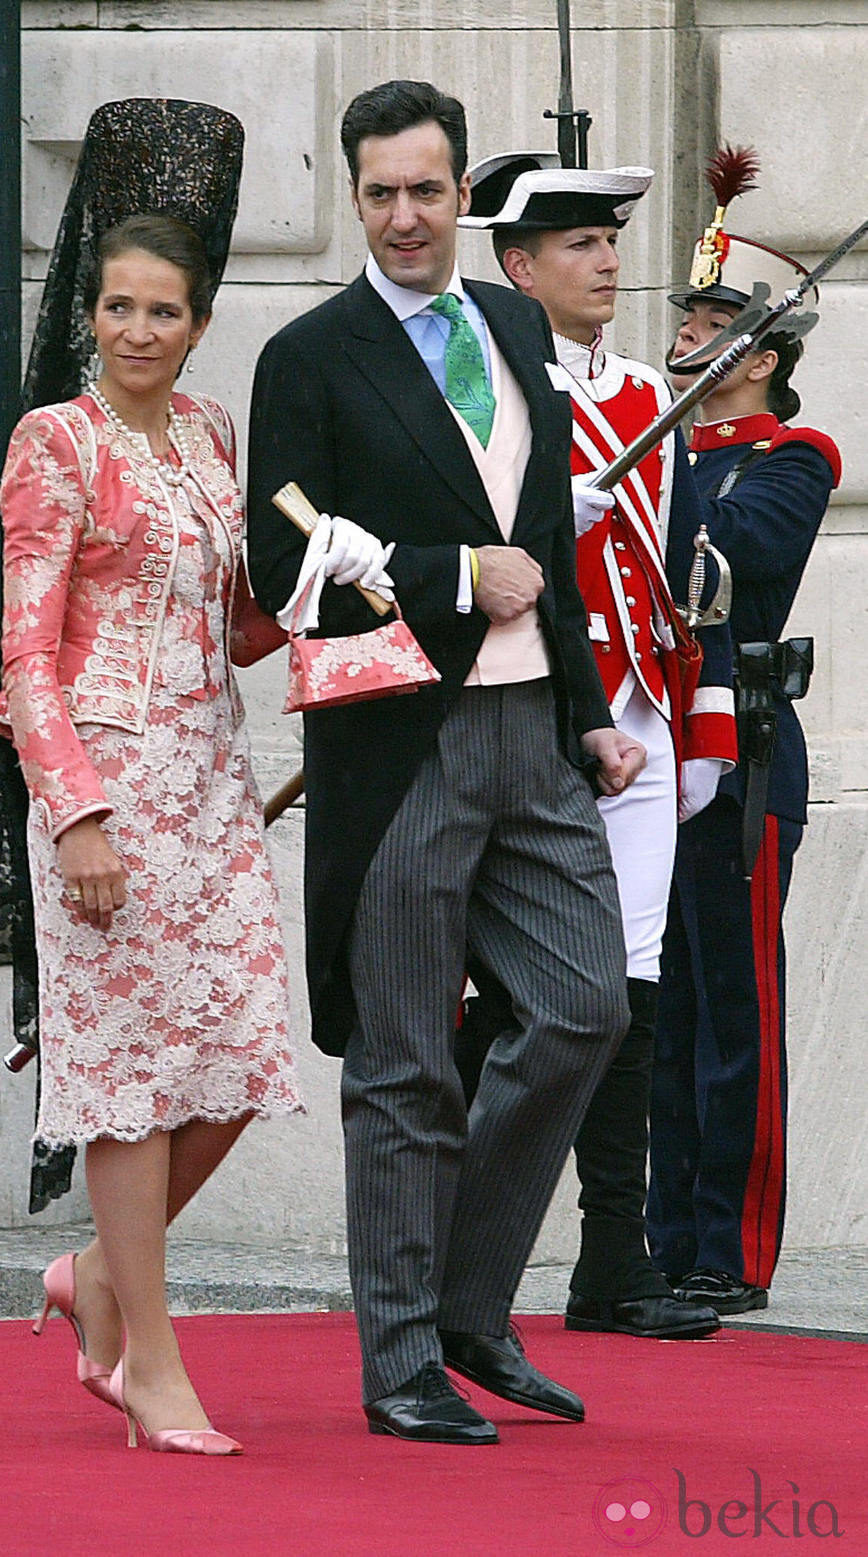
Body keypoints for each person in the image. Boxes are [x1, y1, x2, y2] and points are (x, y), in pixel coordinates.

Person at [246, 80, 645, 1445]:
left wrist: (591, 708)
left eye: (429, 190)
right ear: (354, 199)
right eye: (381, 193)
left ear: (465, 195)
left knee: (586, 1008)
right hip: (401, 743)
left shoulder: (516, 322)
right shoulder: (310, 354)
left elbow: (554, 539)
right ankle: (402, 1353)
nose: (407, 216)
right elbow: (279, 561)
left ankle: (470, 1300)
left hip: (538, 739)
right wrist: (449, 571)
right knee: (408, 1063)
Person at [0, 197, 303, 1453]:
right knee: (128, 1080)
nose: (136, 328)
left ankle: (101, 1276)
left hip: (213, 780)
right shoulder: (53, 443)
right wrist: (73, 817)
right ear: (92, 314)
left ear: (198, 325)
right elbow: (23, 650)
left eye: (161, 311)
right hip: (104, 790)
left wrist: (319, 592)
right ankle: (148, 1367)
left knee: (240, 1051)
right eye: (118, 306)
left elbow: (227, 626)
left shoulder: (213, 434)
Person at [457, 155, 738, 1339]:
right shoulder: (484, 391)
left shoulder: (637, 395)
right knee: (502, 998)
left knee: (631, 993)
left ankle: (608, 1265)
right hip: (523, 713)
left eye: (610, 240)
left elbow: (682, 582)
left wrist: (699, 724)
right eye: (579, 244)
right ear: (519, 267)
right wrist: (526, 517)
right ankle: (446, 1252)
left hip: (634, 715)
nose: (609, 261)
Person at [647, 149, 841, 1315]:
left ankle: (728, 1243)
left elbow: (729, 570)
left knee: (733, 1010)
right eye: (686, 315)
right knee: (655, 1009)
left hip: (743, 754)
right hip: (647, 755)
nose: (686, 334)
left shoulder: (788, 459)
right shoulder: (645, 452)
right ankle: (656, 1237)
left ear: (758, 356)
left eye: (714, 322)